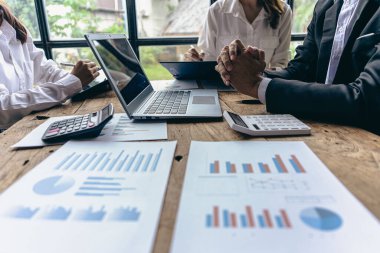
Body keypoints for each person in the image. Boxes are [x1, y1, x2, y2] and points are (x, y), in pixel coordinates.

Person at [216, 0, 380, 134]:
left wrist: (257, 85)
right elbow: (301, 70)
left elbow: (366, 98)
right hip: (322, 131)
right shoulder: (326, 5)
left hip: (366, 143)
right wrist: (250, 71)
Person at [0, 2, 99, 130]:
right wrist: (69, 84)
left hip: (27, 125)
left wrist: (82, 81)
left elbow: (44, 69)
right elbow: (2, 108)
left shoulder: (12, 25)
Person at [185, 0, 292, 69]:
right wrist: (197, 62)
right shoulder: (216, 11)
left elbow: (281, 63)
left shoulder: (283, 12)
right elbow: (209, 60)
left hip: (261, 92)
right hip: (223, 89)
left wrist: (261, 79)